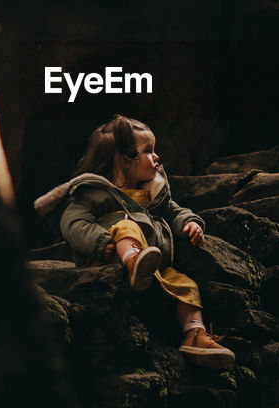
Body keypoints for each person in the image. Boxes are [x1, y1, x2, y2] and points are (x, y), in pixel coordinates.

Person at [49, 115, 235, 368]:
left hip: (154, 264)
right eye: (148, 151)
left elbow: (174, 211)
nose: (157, 157)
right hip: (109, 256)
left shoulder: (154, 193)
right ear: (122, 159)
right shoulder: (94, 192)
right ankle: (133, 259)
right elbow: (72, 223)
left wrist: (190, 223)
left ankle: (195, 334)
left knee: (187, 285)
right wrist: (100, 242)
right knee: (126, 226)